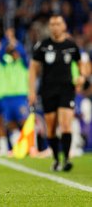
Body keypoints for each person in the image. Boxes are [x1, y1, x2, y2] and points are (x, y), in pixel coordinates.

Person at [29, 15, 86, 172]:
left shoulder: (71, 45)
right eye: (52, 24)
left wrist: (82, 76)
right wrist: (31, 91)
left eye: (58, 24)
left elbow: (82, 65)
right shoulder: (42, 45)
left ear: (64, 26)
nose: (55, 27)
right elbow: (33, 69)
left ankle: (66, 159)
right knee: (51, 127)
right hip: (48, 90)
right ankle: (55, 158)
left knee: (65, 124)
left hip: (67, 90)